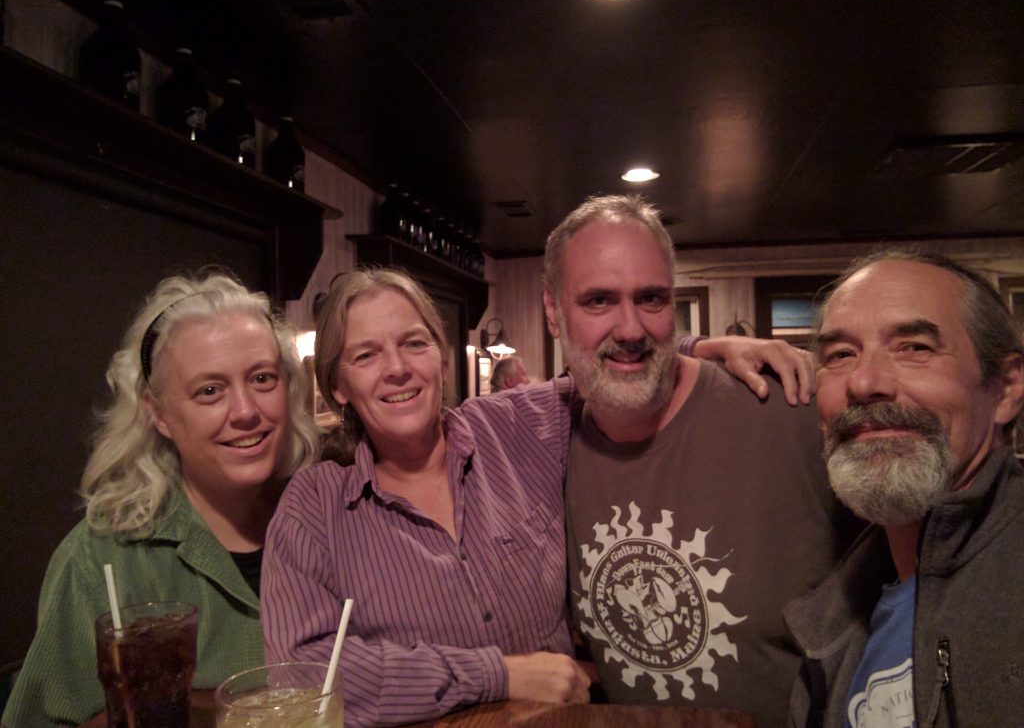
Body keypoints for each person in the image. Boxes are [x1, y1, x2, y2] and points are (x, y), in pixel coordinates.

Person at [261, 267, 813, 727]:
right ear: (337, 385)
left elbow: (616, 368)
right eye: (366, 356)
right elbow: (303, 675)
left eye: (414, 342)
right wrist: (498, 675)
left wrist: (707, 346)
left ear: (440, 355)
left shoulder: (519, 426)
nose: (398, 368)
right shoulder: (315, 506)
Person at [545, 195, 857, 727]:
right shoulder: (546, 439)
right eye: (598, 301)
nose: (629, 329)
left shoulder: (790, 410)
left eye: (651, 299)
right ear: (553, 312)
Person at [2, 272, 320, 727]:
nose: (247, 411)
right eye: (210, 390)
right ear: (159, 414)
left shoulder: (327, 519)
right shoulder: (100, 561)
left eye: (262, 378)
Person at [785, 251, 1024, 727]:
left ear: (1005, 389)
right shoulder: (838, 612)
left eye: (915, 347)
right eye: (840, 355)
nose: (865, 381)